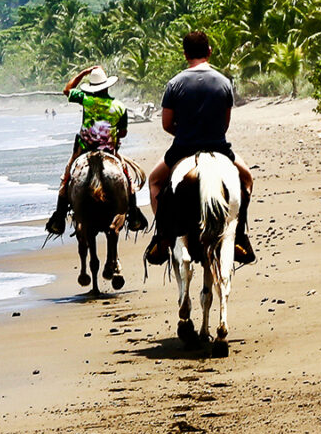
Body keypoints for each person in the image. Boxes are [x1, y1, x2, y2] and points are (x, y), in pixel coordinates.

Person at [144, 32, 255, 265]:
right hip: (218, 147)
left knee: (154, 181)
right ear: (210, 51)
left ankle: (162, 237)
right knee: (247, 180)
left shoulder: (174, 83)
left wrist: (186, 135)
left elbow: (166, 124)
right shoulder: (224, 82)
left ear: (185, 54)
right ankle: (240, 237)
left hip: (183, 147)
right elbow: (224, 125)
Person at [61, 63, 147, 229]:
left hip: (83, 149)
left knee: (66, 178)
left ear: (91, 87)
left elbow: (67, 90)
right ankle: (134, 214)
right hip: (109, 151)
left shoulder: (85, 99)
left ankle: (59, 215)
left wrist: (83, 72)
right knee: (128, 180)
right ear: (107, 86)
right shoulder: (119, 106)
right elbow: (123, 133)